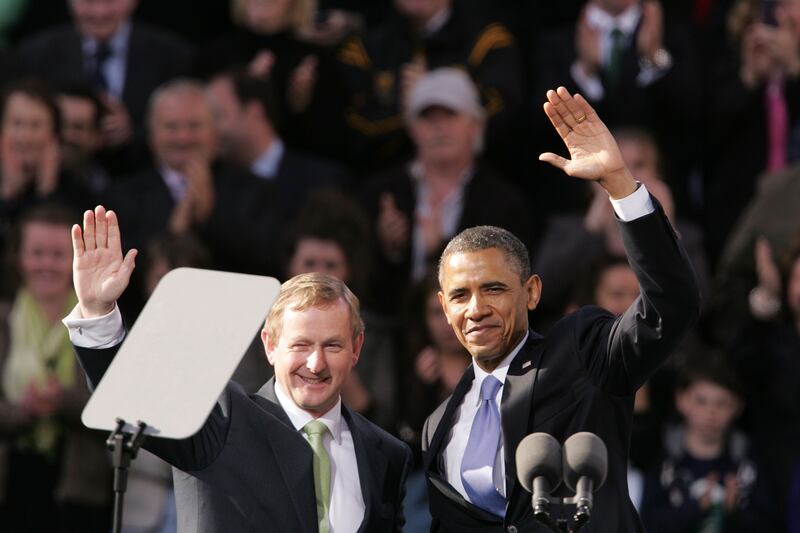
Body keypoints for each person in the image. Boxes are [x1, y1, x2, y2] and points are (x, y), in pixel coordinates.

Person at [421, 86, 699, 532]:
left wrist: (620, 186)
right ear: (443, 306)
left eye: (493, 289)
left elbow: (671, 304)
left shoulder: (582, 352)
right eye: (459, 295)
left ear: (531, 292)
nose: (476, 309)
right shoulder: (438, 424)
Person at [63, 206, 412, 532]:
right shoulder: (220, 420)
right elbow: (128, 397)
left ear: (357, 348)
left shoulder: (386, 455)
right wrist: (98, 314)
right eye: (301, 345)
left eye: (332, 345)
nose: (315, 363)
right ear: (270, 345)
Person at [361, 68, 530, 314]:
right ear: (411, 128)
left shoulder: (504, 202)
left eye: (450, 115)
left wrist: (439, 246)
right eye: (428, 118)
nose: (439, 128)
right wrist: (389, 250)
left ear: (475, 124)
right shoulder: (381, 193)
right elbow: (363, 285)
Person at [0, 203, 111, 532]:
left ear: (76, 259)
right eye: (37, 253)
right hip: (11, 487)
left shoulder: (101, 324)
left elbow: (112, 408)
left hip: (79, 492)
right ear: (19, 258)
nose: (46, 264)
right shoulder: (2, 320)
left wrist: (62, 401)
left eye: (57, 255)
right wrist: (23, 410)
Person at [15, 0, 193, 173]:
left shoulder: (172, 56)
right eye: (88, 1)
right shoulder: (35, 54)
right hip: (61, 183)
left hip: (140, 180)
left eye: (110, 1)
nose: (99, 12)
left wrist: (135, 131)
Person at [640, 357, 774, 532]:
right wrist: (694, 508)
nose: (711, 412)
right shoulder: (662, 461)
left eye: (722, 403)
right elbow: (647, 524)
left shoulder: (749, 463)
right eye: (701, 401)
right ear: (681, 400)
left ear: (738, 406)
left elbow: (770, 524)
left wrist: (733, 513)